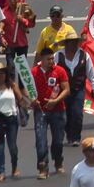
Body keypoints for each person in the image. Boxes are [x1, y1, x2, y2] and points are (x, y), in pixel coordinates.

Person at [0, 61, 28, 181]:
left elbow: (20, 100)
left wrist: (26, 106)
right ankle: (1, 171)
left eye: (2, 73)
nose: (1, 75)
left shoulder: (11, 85)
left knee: (12, 146)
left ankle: (14, 167)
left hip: (11, 119)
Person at [55, 29, 94, 146]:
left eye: (74, 42)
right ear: (66, 43)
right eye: (70, 42)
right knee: (65, 115)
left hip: (78, 89)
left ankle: (75, 137)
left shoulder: (84, 55)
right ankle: (69, 134)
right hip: (63, 90)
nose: (72, 44)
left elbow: (91, 73)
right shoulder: (58, 56)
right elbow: (52, 72)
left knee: (77, 113)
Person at [32, 47, 71, 179]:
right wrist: (32, 100)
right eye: (48, 59)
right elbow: (26, 89)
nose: (51, 61)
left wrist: (56, 101)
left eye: (52, 58)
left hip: (58, 110)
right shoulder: (34, 72)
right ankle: (42, 167)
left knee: (58, 140)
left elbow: (66, 89)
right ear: (41, 60)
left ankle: (58, 161)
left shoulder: (59, 71)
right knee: (40, 139)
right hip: (40, 111)